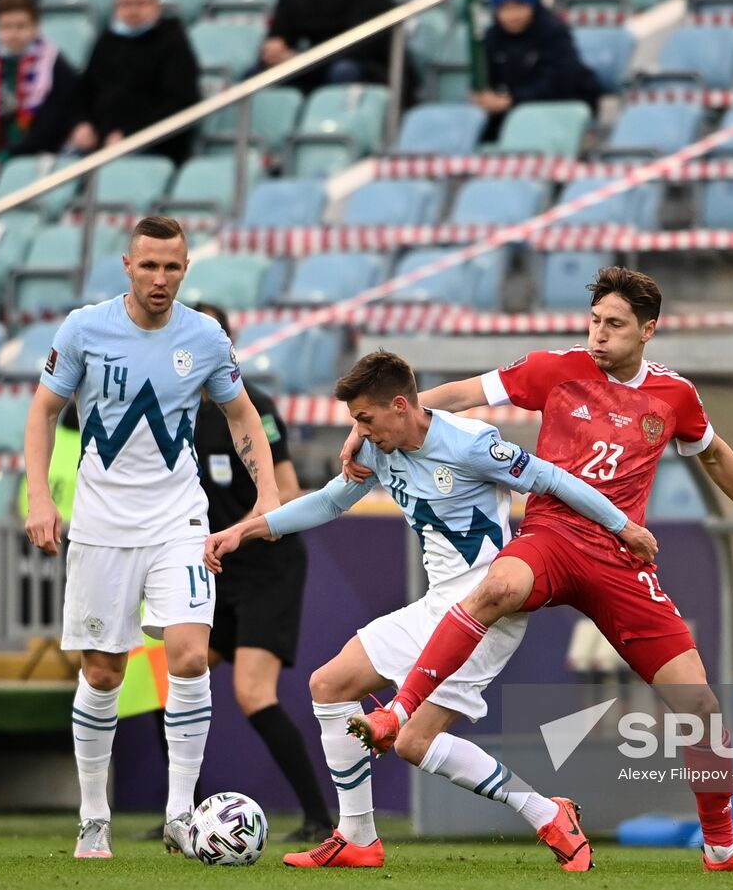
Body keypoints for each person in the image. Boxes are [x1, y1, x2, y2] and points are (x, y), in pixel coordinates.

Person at [343, 268, 733, 874]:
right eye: (595, 322)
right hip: (552, 536)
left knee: (700, 705)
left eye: (615, 325)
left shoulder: (675, 396)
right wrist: (364, 429)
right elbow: (460, 394)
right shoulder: (555, 369)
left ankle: (722, 848)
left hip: (619, 557)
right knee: (498, 586)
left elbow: (713, 453)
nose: (598, 335)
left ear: (648, 330)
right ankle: (399, 711)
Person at [206, 350, 658, 869]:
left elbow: (553, 480)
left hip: (487, 609)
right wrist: (245, 530)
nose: (359, 431)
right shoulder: (378, 448)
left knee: (413, 741)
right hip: (436, 602)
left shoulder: (472, 443)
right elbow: (329, 502)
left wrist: (623, 526)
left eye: (365, 419)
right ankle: (357, 837)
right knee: (330, 686)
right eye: (355, 421)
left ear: (400, 406)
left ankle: (546, 813)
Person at [22, 215, 281, 861]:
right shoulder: (84, 329)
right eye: (149, 266)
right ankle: (93, 818)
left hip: (178, 521)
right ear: (128, 266)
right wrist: (39, 496)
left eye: (172, 267)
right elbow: (43, 411)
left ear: (185, 268)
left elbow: (242, 414)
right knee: (103, 671)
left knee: (189, 656)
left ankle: (179, 814)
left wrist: (268, 491)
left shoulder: (205, 337)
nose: (160, 278)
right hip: (101, 526)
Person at [187, 303, 334, 844]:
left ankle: (319, 818)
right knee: (174, 678)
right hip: (214, 568)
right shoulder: (174, 411)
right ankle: (184, 814)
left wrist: (239, 532)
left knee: (252, 692)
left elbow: (288, 492)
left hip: (266, 567)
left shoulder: (252, 407)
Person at [67, 0, 199, 165]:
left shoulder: (173, 43)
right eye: (126, 4)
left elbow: (180, 102)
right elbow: (85, 91)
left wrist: (130, 135)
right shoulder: (107, 41)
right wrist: (82, 124)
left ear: (156, 6)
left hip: (153, 145)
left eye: (141, 3)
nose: (133, 10)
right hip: (101, 141)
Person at [475, 0, 601, 140]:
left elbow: (560, 81)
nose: (513, 15)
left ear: (531, 4)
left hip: (560, 106)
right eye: (506, 8)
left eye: (519, 6)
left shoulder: (553, 31)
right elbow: (490, 79)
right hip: (515, 111)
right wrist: (486, 97)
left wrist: (512, 100)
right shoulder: (492, 37)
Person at [260, 0, 398, 95]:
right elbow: (281, 32)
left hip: (365, 65)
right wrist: (274, 49)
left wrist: (301, 59)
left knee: (344, 70)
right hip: (310, 64)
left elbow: (365, 45)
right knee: (256, 74)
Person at [0, 0, 78, 160]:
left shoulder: (56, 67)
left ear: (36, 27)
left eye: (21, 26)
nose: (13, 34)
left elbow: (52, 127)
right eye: (6, 27)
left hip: (39, 156)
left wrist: (9, 155)